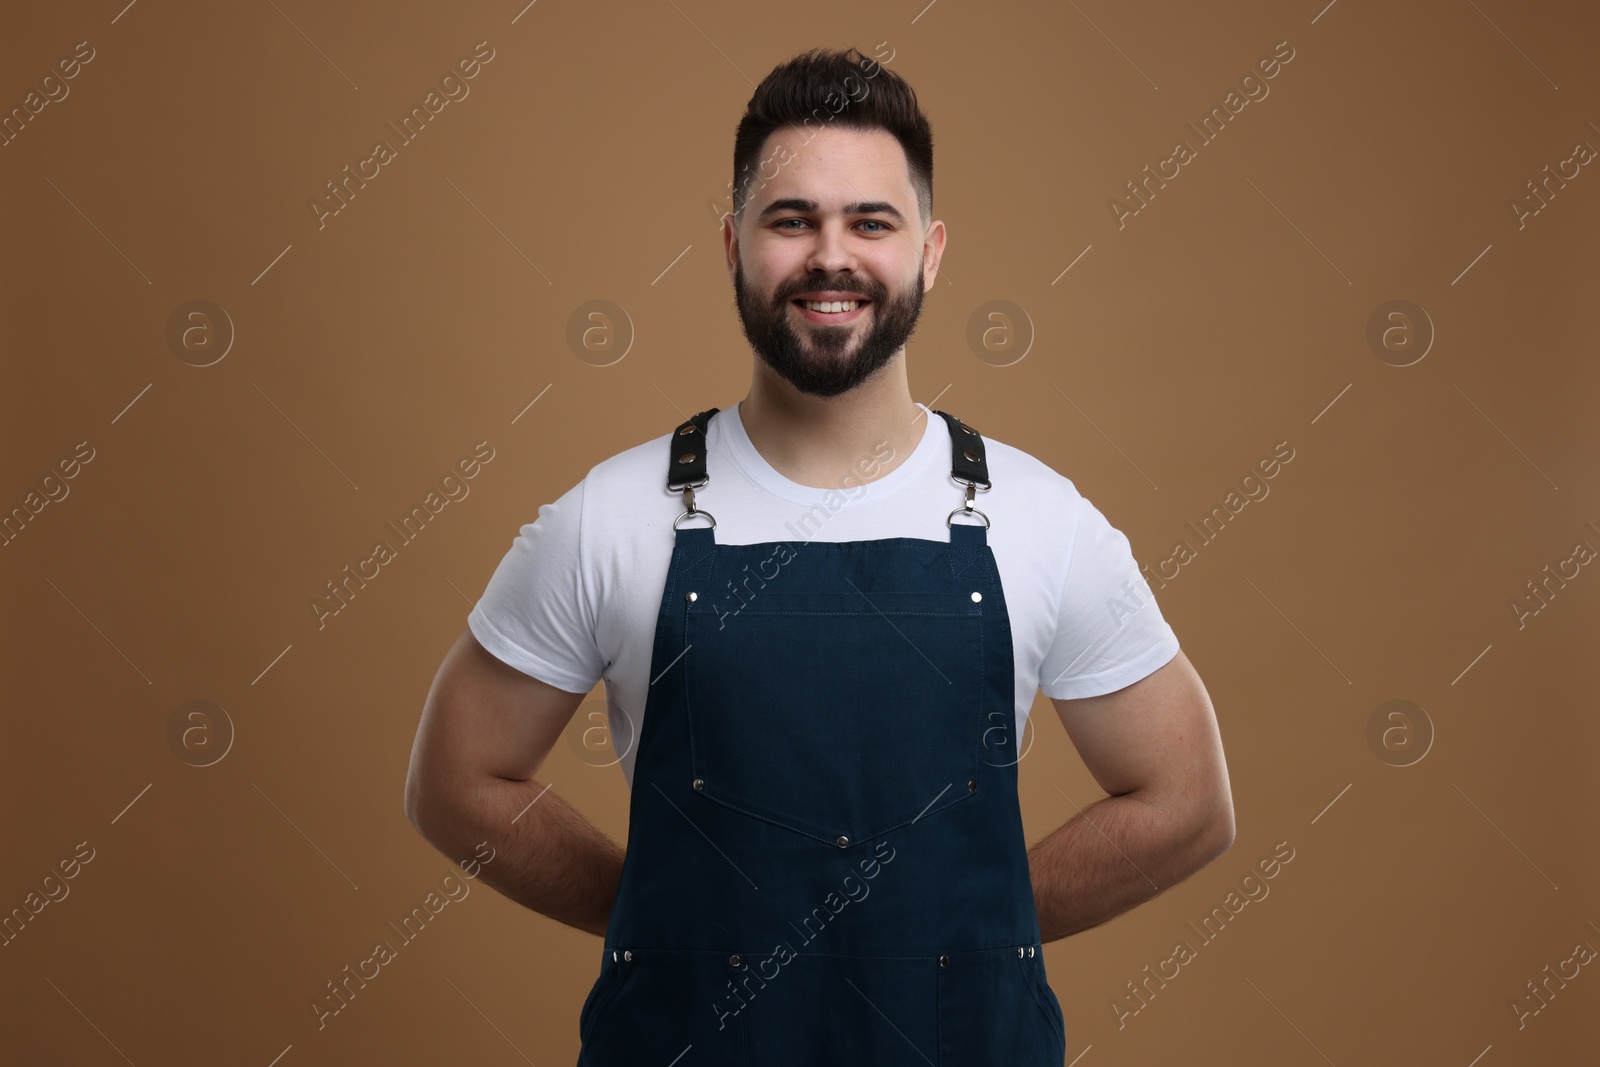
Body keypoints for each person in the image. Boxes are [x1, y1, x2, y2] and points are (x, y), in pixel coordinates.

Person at [404, 46, 1234, 1065]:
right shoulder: (610, 515)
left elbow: (1187, 802)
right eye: (790, 219)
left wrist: (971, 930)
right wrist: (670, 924)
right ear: (733, 245)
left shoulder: (1037, 517)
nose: (828, 257)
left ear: (929, 253)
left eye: (869, 223)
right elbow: (453, 780)